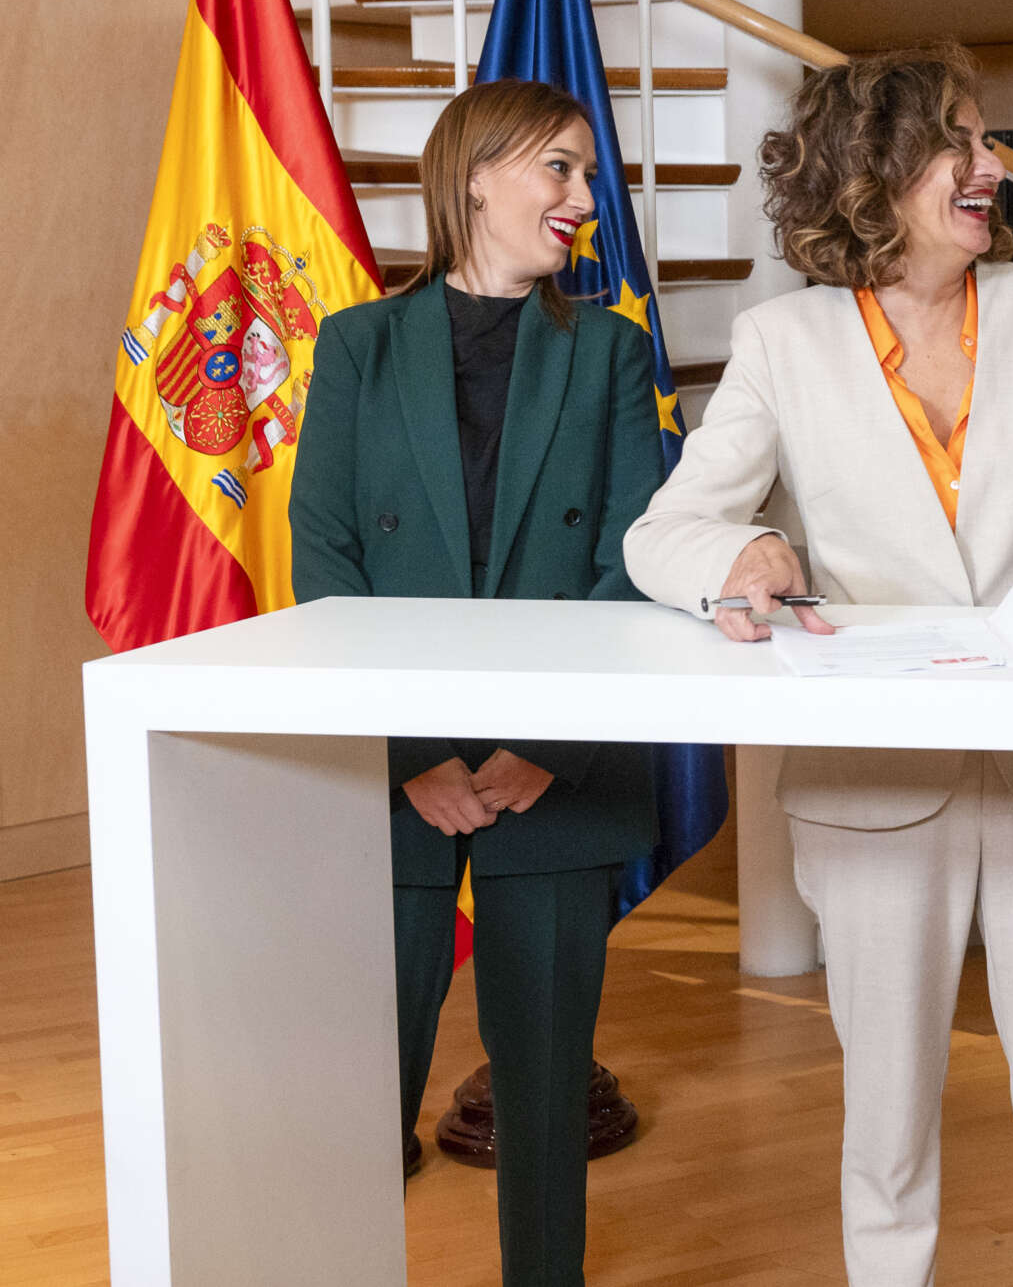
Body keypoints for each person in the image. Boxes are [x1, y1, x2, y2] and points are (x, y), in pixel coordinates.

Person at [623, 41, 1013, 1287]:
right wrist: (755, 548)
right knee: (885, 1126)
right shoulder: (782, 341)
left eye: (983, 138)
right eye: (961, 141)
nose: (990, 167)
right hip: (874, 782)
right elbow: (661, 533)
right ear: (872, 172)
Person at [289, 78, 665, 1286]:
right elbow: (325, 556)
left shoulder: (607, 347)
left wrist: (541, 740)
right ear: (475, 177)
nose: (581, 193)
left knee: (546, 1094)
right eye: (557, 167)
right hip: (396, 770)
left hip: (555, 765)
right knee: (365, 1085)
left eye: (584, 171)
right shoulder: (357, 343)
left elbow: (633, 551)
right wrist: (412, 760)